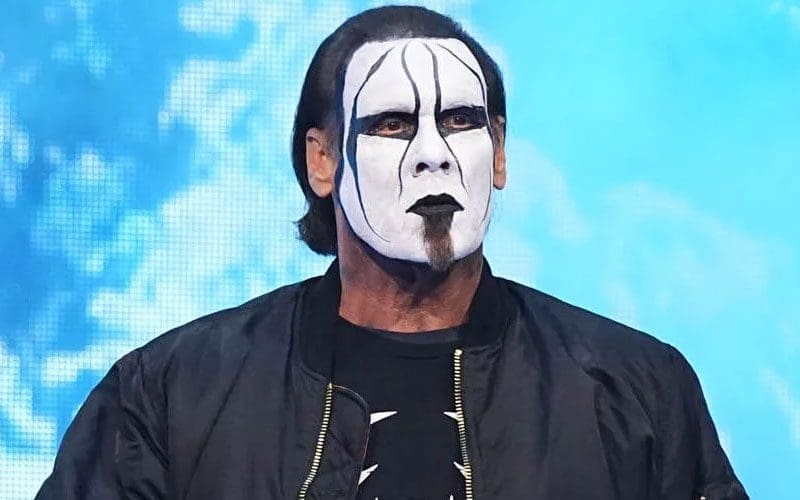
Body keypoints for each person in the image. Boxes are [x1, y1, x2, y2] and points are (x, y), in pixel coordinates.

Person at [37, 6, 748, 500]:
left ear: (499, 153)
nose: (434, 155)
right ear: (322, 161)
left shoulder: (637, 390)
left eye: (461, 120)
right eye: (391, 125)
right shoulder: (169, 393)